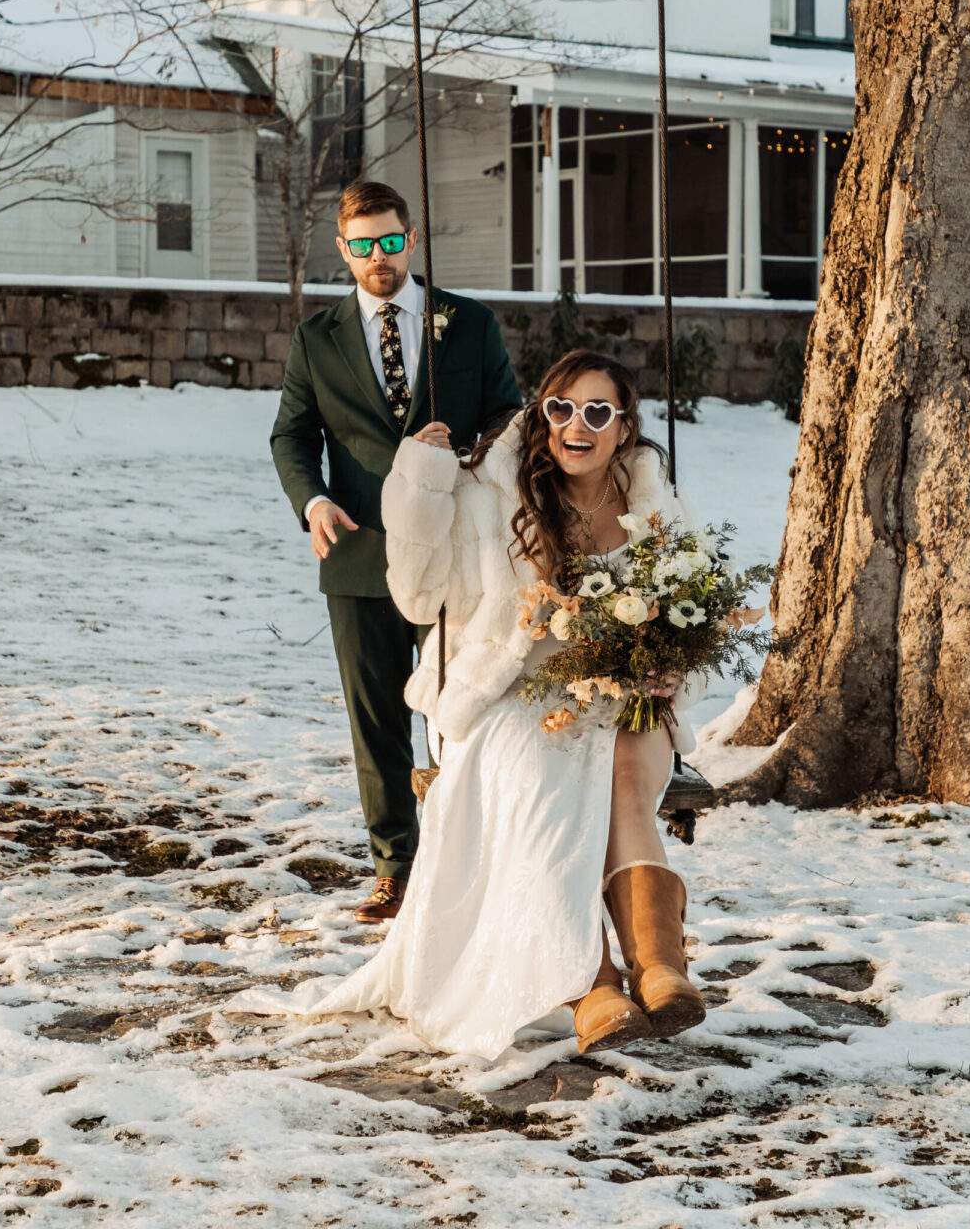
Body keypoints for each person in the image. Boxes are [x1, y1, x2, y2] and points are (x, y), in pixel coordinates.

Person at [249, 350, 706, 1060]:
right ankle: (590, 985)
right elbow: (416, 596)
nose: (574, 426)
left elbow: (691, 611)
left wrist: (669, 670)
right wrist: (421, 484)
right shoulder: (491, 492)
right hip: (509, 686)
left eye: (596, 412)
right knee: (541, 787)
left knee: (624, 784)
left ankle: (661, 972)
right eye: (560, 408)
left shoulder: (653, 499)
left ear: (623, 428)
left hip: (619, 686)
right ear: (540, 416)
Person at [269, 180, 520, 924]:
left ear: (409, 239)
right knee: (375, 719)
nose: (377, 256)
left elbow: (510, 410)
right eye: (362, 245)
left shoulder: (467, 323)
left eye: (390, 240)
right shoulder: (317, 338)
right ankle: (396, 869)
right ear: (342, 251)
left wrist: (468, 451)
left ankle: (469, 858)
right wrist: (312, 502)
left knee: (461, 710)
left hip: (452, 551)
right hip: (358, 554)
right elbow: (291, 434)